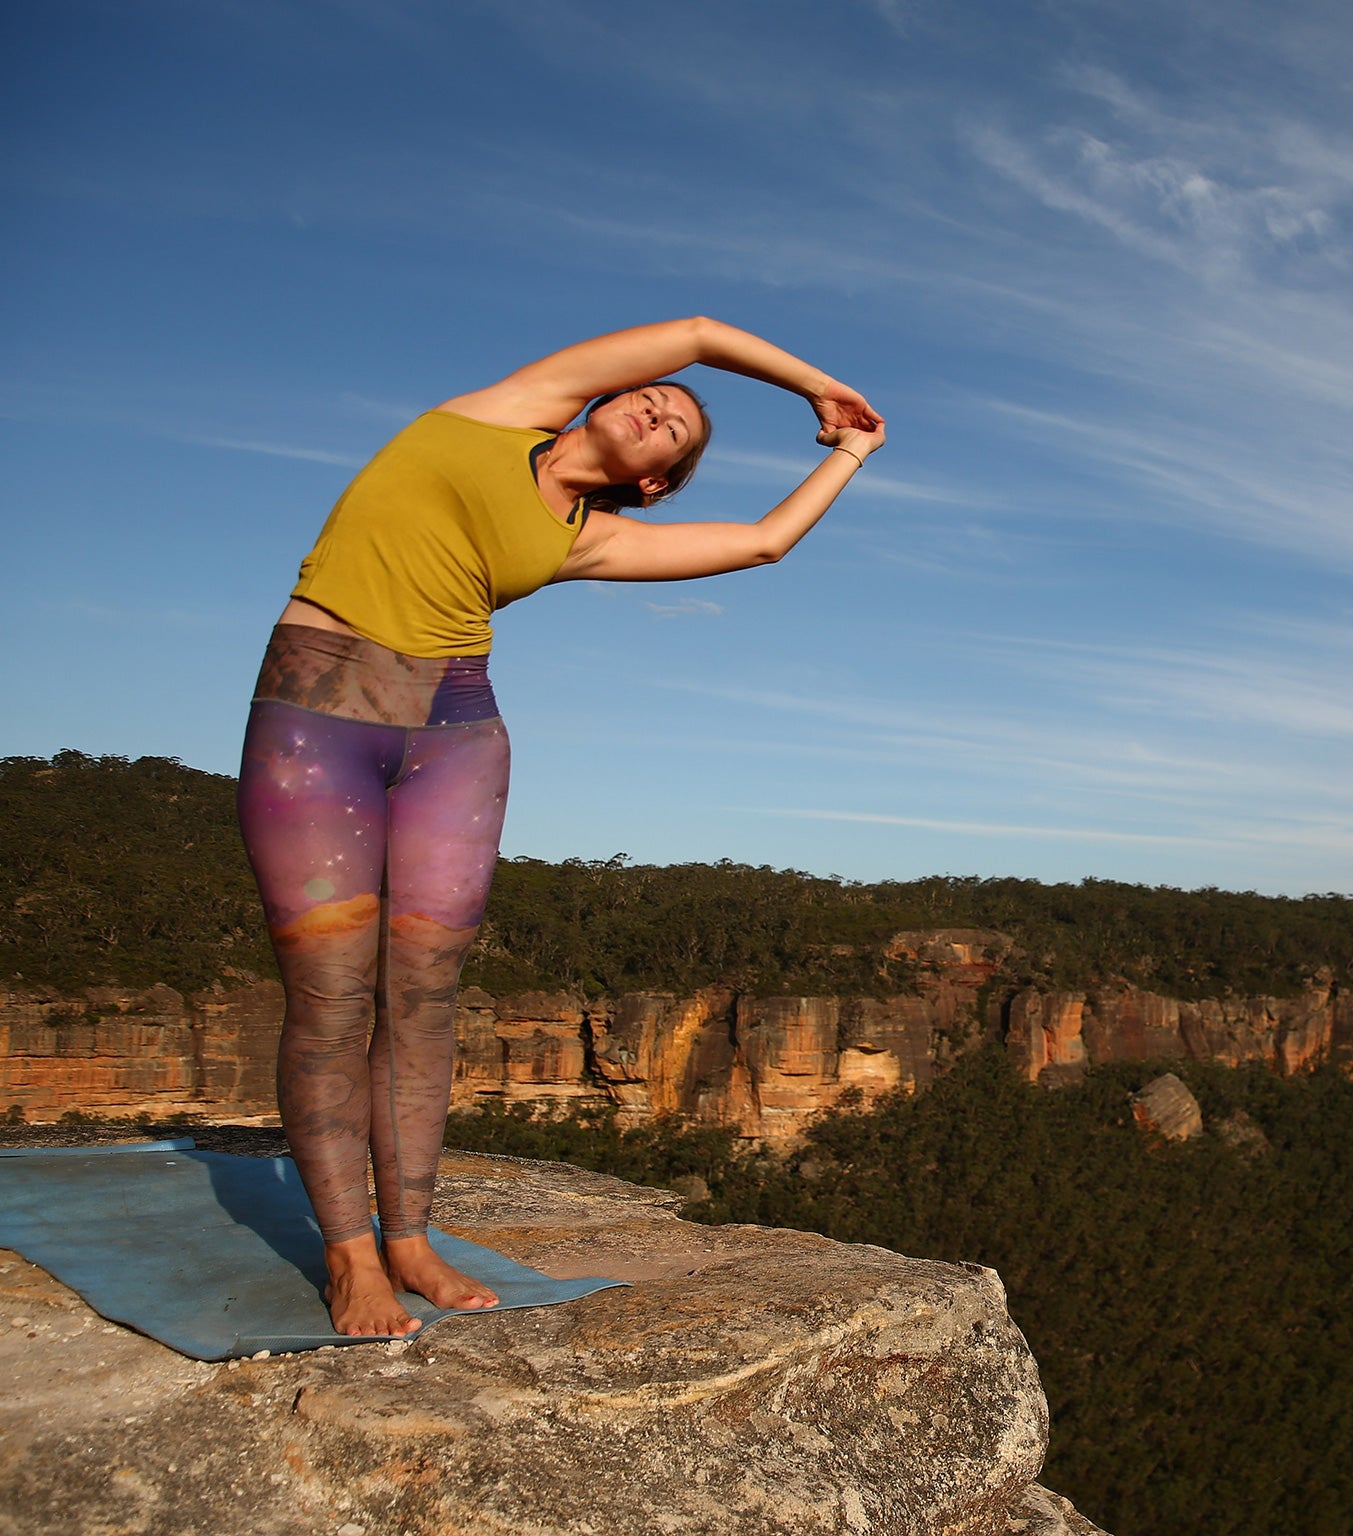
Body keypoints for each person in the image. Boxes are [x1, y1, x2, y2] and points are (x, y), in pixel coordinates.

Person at [236, 317, 884, 1336]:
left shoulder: (587, 538)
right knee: (328, 993)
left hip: (455, 735)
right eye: (654, 397)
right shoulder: (498, 414)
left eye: (671, 428)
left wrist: (850, 450)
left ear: (656, 481)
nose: (657, 405)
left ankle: (408, 1237)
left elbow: (763, 542)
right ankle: (349, 1253)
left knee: (423, 996)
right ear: (600, 398)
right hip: (320, 715)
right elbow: (697, 336)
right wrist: (818, 387)